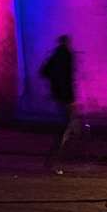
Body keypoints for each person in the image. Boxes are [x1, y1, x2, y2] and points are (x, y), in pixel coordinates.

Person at [40, 35, 79, 173]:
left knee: (70, 127)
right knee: (66, 129)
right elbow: (68, 80)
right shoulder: (67, 56)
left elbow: (43, 72)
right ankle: (52, 163)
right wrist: (72, 100)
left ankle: (56, 161)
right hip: (66, 98)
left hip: (59, 97)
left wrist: (54, 85)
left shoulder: (55, 56)